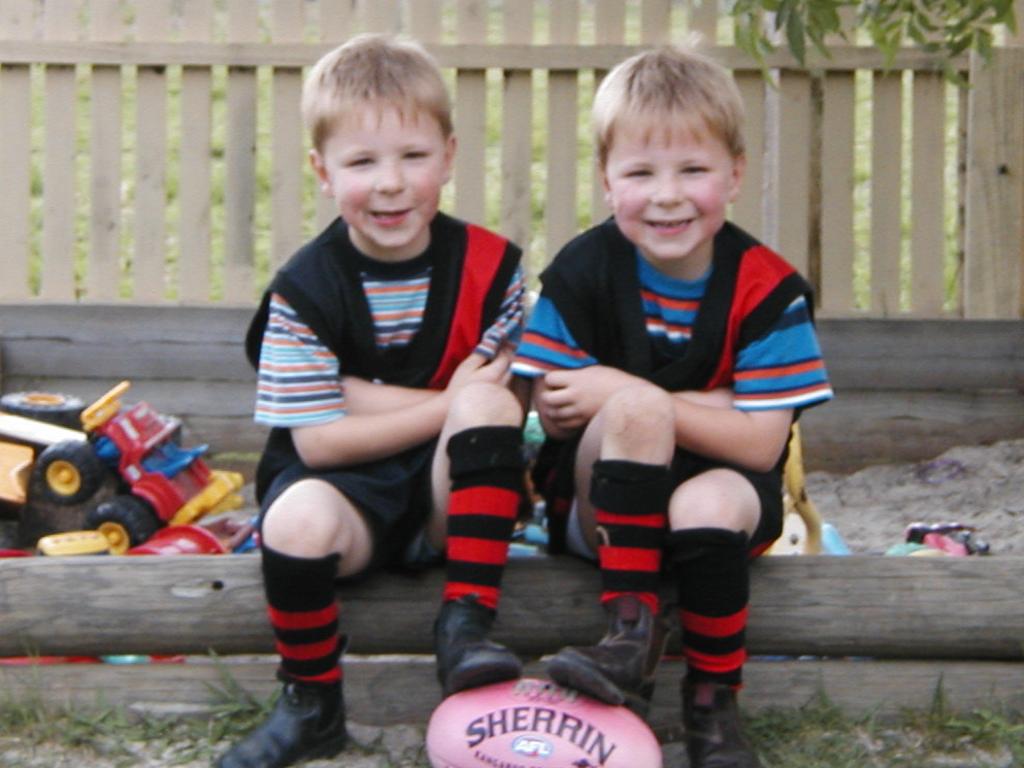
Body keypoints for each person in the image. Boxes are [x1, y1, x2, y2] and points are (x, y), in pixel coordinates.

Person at [512, 43, 833, 768]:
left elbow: (758, 448)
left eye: (693, 170)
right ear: (606, 179)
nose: (666, 195)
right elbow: (558, 408)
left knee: (704, 494)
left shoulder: (769, 291)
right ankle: (627, 635)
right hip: (598, 507)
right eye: (640, 172)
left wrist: (627, 390)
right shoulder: (582, 270)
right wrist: (696, 404)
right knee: (636, 417)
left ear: (735, 174)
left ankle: (714, 702)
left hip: (723, 494)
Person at [219, 34, 528, 768]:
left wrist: (376, 398)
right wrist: (446, 400)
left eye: (413, 157)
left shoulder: (494, 270)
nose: (391, 183)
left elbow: (507, 400)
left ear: (449, 156)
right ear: (323, 172)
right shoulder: (304, 289)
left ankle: (465, 628)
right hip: (344, 491)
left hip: (449, 494)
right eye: (362, 162)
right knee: (293, 516)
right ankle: (312, 700)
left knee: (490, 414)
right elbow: (319, 443)